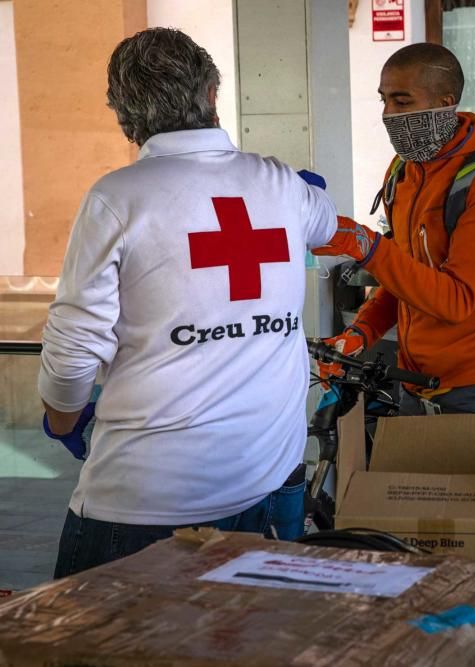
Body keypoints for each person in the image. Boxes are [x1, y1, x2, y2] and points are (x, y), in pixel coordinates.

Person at [39, 28, 340, 577]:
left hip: (145, 503)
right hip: (268, 484)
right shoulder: (278, 183)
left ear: (124, 113)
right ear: (211, 94)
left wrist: (62, 418)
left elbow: (74, 348)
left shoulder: (117, 198)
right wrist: (299, 191)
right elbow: (326, 221)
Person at [311, 43, 475, 416]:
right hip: (412, 380)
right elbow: (404, 280)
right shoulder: (403, 173)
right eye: (384, 101)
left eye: (402, 102)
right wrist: (360, 334)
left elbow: (455, 301)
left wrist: (367, 246)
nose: (388, 114)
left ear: (445, 103)